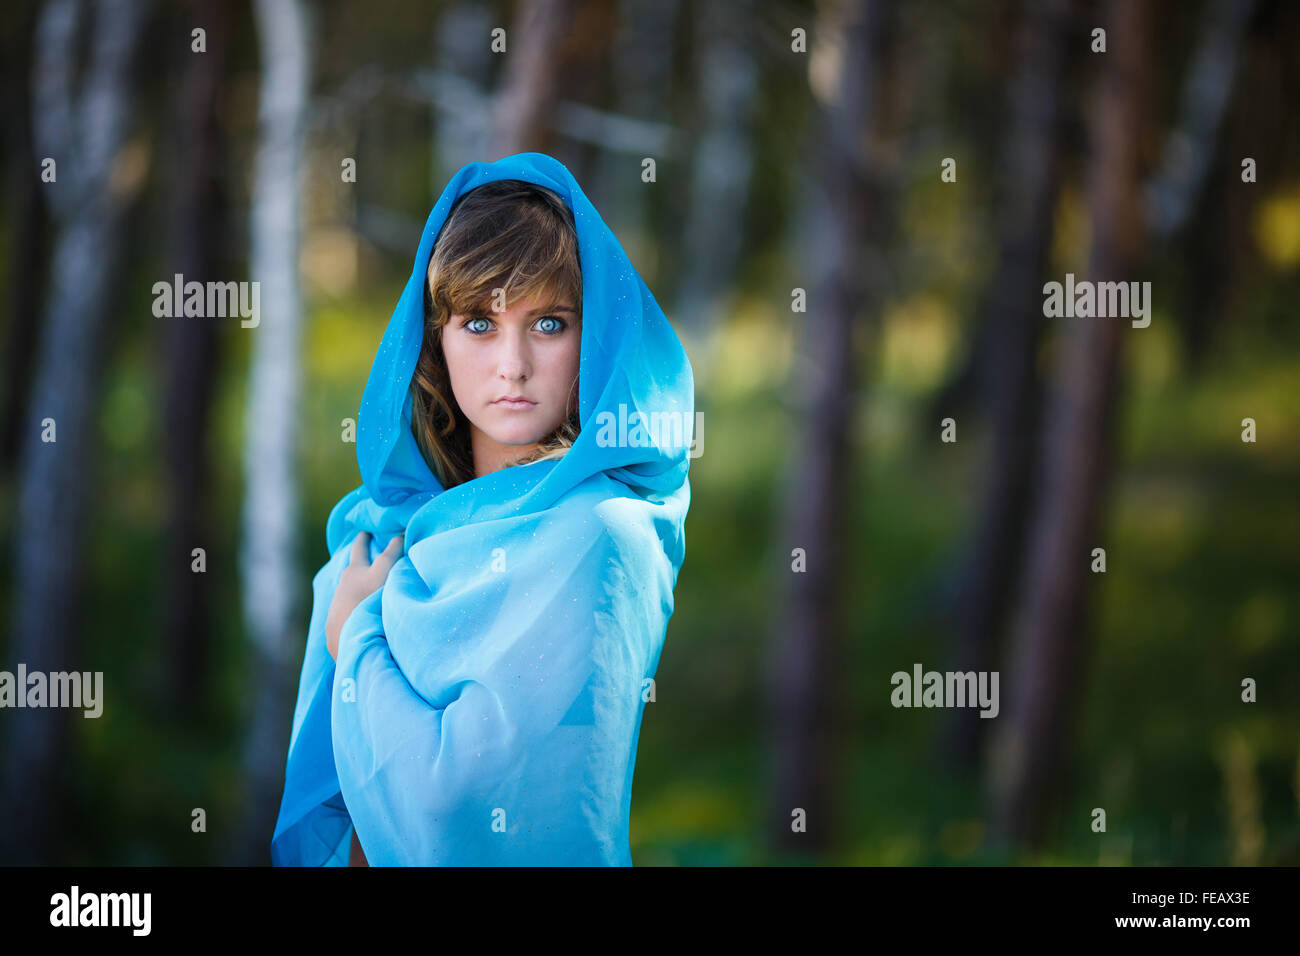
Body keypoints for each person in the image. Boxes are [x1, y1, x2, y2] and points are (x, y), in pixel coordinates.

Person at [270, 152, 694, 866]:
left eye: (550, 323)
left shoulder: (601, 536)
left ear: (596, 338)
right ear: (432, 337)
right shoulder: (380, 536)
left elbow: (460, 807)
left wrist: (358, 643)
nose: (513, 365)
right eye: (478, 322)